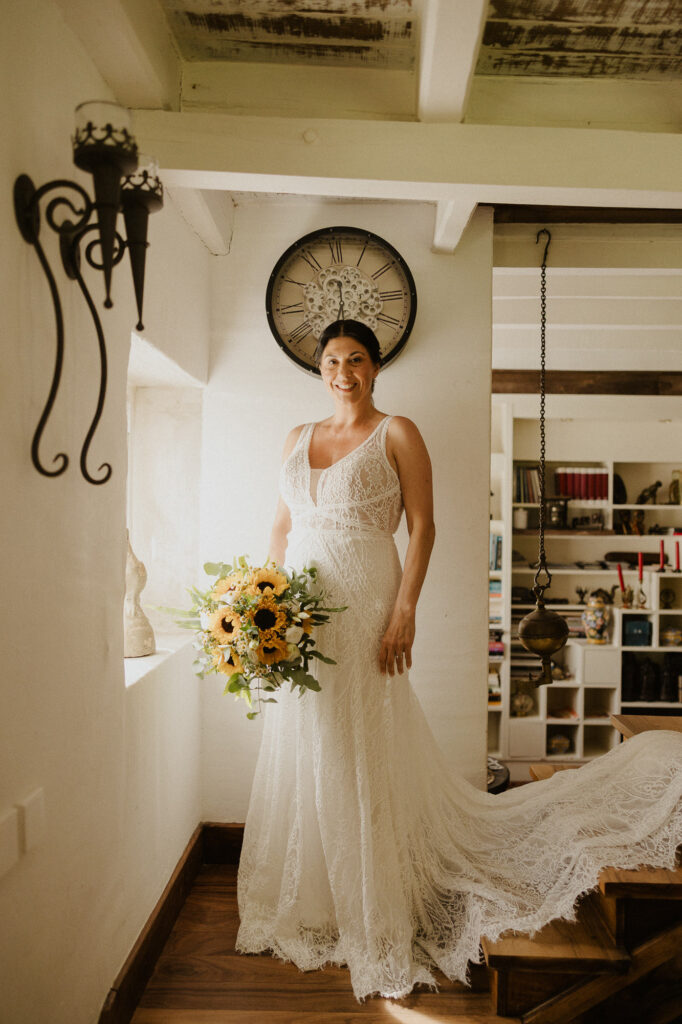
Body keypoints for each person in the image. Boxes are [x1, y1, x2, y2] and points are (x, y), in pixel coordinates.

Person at [236, 318, 682, 1002]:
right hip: (297, 610)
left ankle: (376, 894)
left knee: (362, 738)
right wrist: (258, 603)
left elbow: (424, 526)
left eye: (355, 359)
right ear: (319, 369)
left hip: (366, 601)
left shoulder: (398, 432)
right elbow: (279, 526)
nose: (342, 372)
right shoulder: (296, 436)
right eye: (331, 361)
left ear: (375, 367)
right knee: (310, 736)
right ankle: (316, 898)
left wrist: (405, 610)